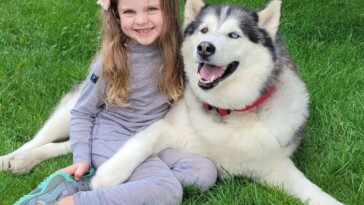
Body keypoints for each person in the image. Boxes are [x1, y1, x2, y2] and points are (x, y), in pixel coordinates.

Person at [15, 0, 217, 204]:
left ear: (169, 11)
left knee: (203, 171)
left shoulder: (176, 53)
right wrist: (82, 159)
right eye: (129, 12)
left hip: (151, 140)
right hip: (112, 138)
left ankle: (101, 182)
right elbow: (82, 112)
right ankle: (70, 201)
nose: (141, 20)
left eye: (151, 9)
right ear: (116, 16)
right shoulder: (110, 62)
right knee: (167, 189)